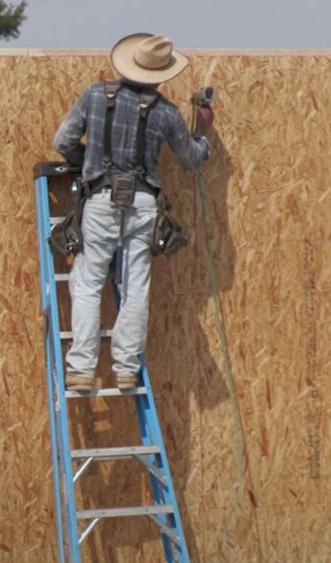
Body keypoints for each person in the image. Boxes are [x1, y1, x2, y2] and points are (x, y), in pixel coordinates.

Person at [53, 33, 213, 391]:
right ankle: (125, 369)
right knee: (137, 286)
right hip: (143, 203)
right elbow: (192, 159)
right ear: (161, 74)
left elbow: (62, 141)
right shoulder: (168, 113)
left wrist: (90, 166)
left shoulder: (95, 96)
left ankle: (81, 369)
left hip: (101, 197)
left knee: (89, 283)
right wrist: (204, 129)